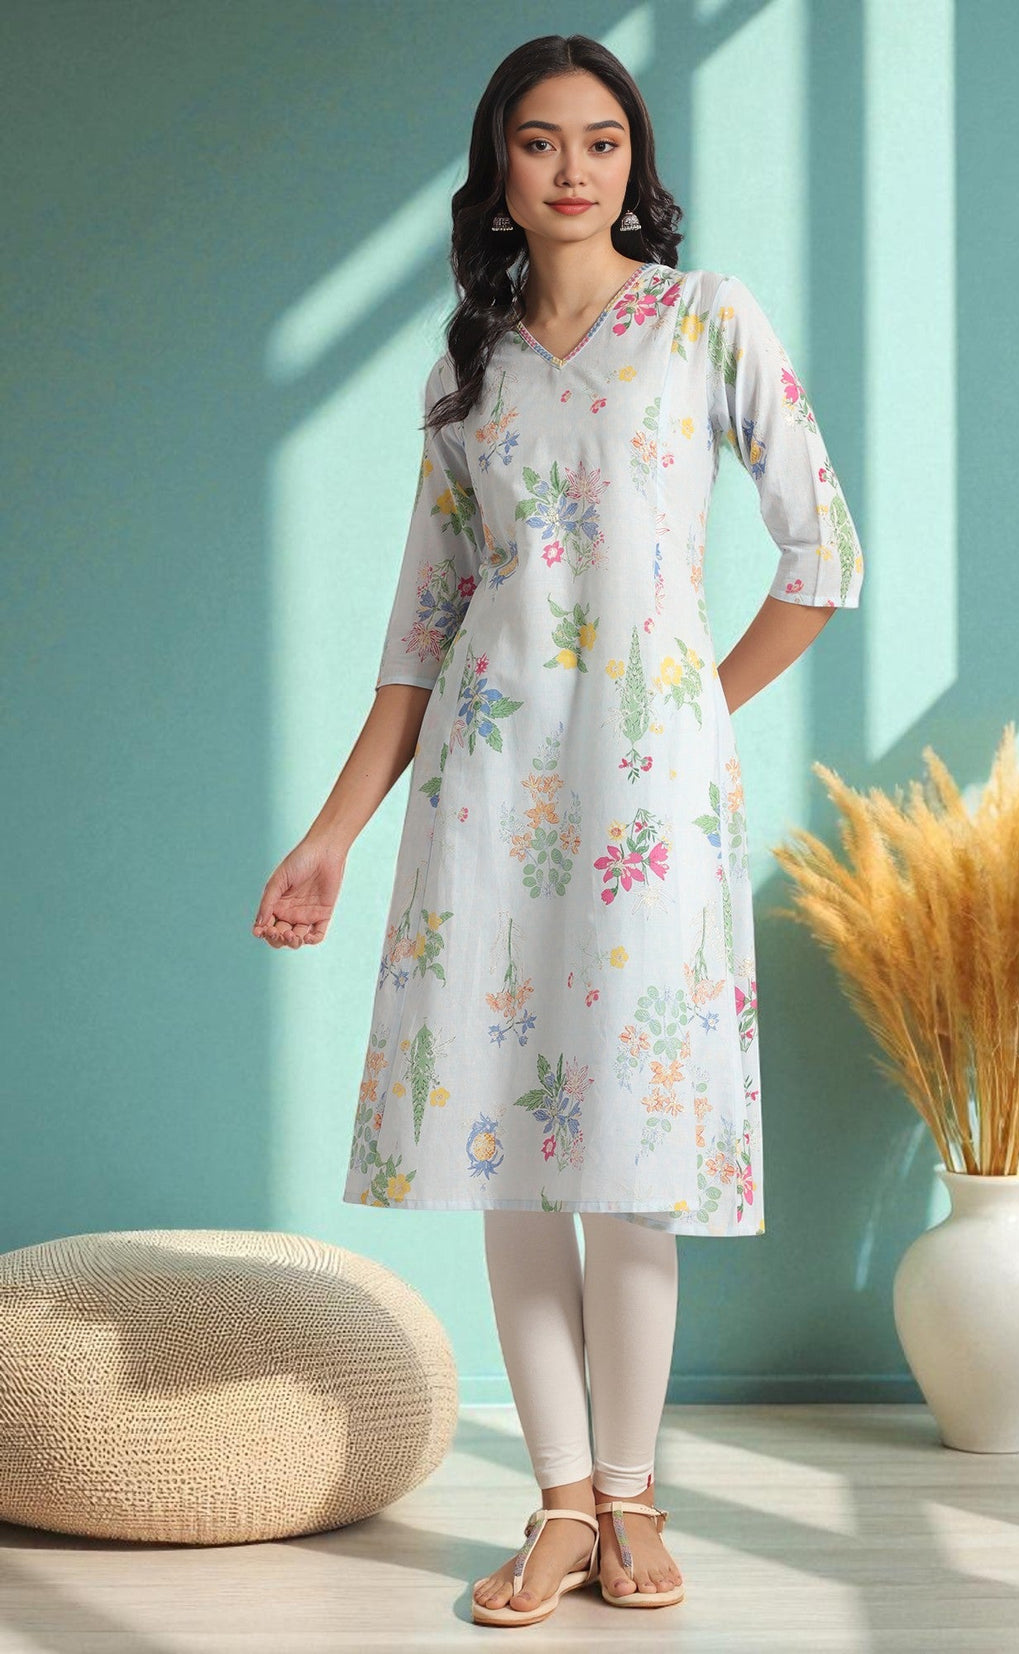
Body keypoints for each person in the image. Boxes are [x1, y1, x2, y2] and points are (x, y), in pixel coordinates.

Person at [252, 32, 864, 1628]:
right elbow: (420, 629)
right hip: (484, 787)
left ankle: (637, 1495)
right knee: (510, 1154)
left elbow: (823, 551)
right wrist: (330, 834)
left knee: (632, 1154)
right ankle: (563, 1505)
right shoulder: (469, 371)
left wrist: (691, 708)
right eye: (540, 141)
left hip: (647, 802)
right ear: (500, 170)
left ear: (634, 162)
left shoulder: (705, 320)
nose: (575, 168)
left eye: (602, 139)